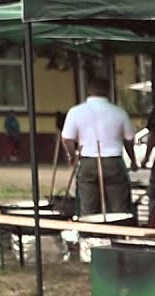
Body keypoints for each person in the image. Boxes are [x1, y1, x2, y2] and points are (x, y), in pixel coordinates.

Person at [61, 77, 137, 215]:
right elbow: (129, 140)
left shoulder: (76, 111)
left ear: (89, 91)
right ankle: (118, 232)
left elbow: (67, 139)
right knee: (119, 208)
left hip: (88, 160)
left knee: (88, 208)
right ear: (108, 91)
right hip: (113, 161)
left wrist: (73, 156)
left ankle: (90, 235)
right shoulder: (119, 112)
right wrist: (133, 160)